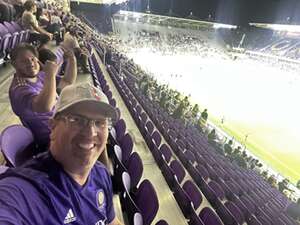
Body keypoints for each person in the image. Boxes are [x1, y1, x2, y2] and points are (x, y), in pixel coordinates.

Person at [0, 82, 122, 225]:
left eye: (100, 122)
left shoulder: (101, 174)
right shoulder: (25, 190)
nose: (90, 132)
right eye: (76, 120)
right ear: (53, 126)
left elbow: (112, 221)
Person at [9, 43, 77, 149]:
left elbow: (67, 82)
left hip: (62, 125)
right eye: (23, 61)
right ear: (14, 65)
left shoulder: (41, 75)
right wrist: (50, 75)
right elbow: (44, 107)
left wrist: (72, 59)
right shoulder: (19, 88)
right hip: (50, 139)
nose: (30, 63)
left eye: (32, 59)